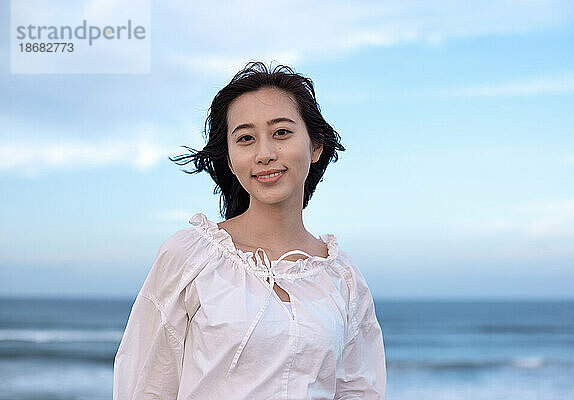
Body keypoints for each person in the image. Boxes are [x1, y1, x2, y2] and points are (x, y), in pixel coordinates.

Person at [113, 61, 386, 399]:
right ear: (229, 158)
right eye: (245, 138)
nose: (265, 154)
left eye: (281, 133)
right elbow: (146, 385)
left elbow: (359, 390)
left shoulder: (344, 281)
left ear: (315, 146)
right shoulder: (189, 257)